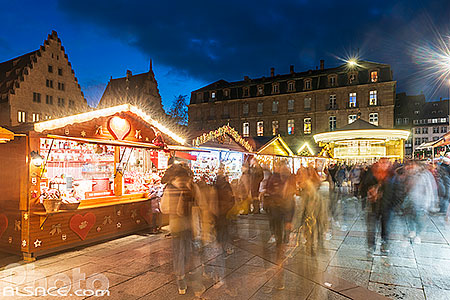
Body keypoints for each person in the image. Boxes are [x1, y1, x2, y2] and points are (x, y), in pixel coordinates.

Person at [160, 164, 195, 295]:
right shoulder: (170, 189)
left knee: (186, 251)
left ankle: (183, 272)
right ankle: (180, 277)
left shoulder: (189, 188)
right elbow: (164, 208)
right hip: (178, 226)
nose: (183, 180)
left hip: (189, 225)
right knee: (180, 252)